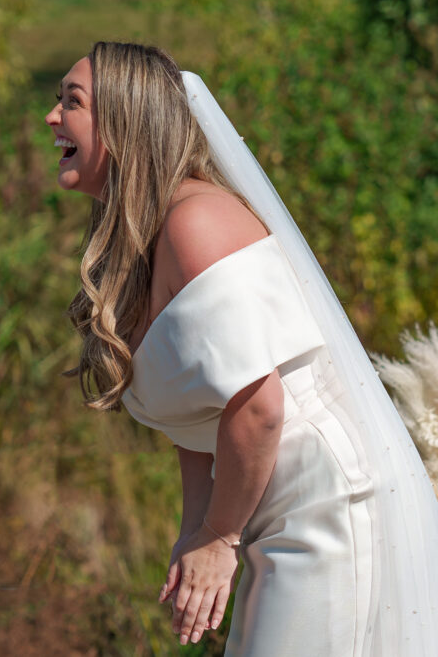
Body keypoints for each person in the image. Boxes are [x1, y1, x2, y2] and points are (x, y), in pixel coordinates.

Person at [46, 41, 438, 655]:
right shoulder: (146, 239)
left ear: (126, 120)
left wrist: (219, 538)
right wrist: (193, 532)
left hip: (325, 503)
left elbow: (259, 407)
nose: (51, 118)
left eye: (72, 102)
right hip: (265, 508)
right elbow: (199, 415)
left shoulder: (195, 223)